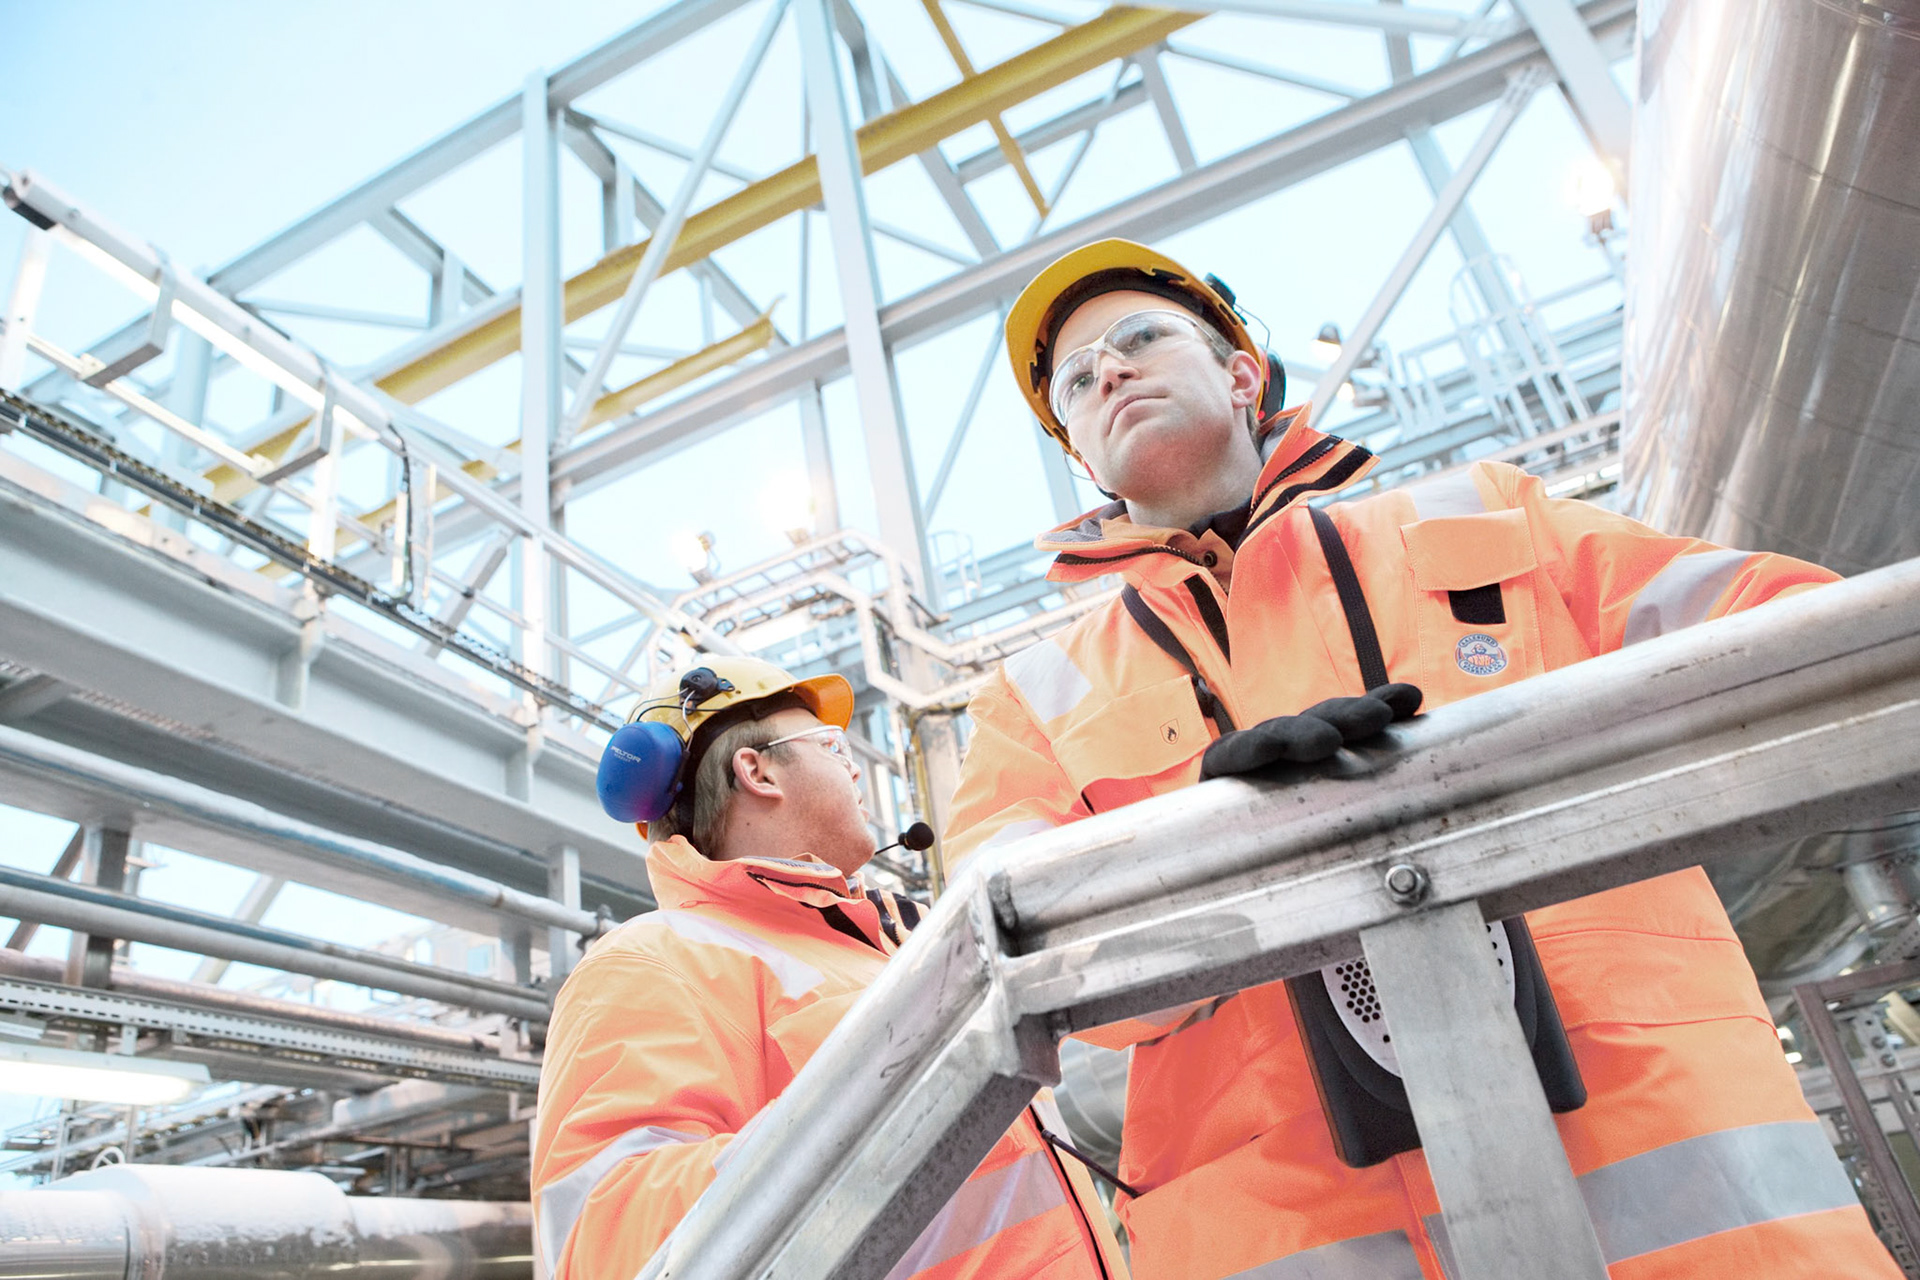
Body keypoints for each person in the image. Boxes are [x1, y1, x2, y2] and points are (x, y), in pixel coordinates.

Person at [944, 239, 1900, 1279]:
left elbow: (1805, 642)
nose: (1109, 373)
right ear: (1083, 458)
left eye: (1139, 338)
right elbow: (1014, 959)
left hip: (1667, 1163)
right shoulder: (1035, 701)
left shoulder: (1481, 516)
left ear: (1241, 372)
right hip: (1293, 1226)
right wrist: (1199, 837)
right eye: (1077, 381)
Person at [532, 656, 1128, 1280]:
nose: (853, 766)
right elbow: (609, 1241)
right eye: (831, 744)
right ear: (755, 770)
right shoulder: (654, 962)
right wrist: (868, 1125)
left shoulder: (890, 950)